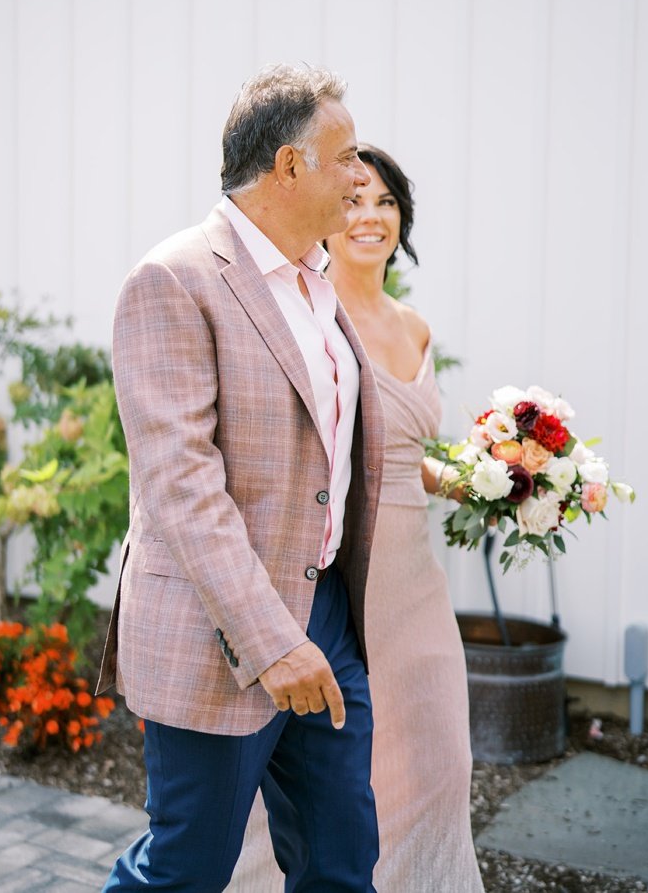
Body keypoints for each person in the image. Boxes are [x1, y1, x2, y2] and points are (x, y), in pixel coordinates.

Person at [99, 64, 385, 891]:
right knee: (186, 867)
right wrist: (272, 642)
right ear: (290, 166)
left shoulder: (315, 282)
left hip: (327, 613)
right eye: (346, 156)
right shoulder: (174, 278)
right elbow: (181, 487)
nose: (360, 176)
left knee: (341, 857)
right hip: (216, 630)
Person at [229, 146, 484, 891]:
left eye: (385, 203)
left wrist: (492, 481)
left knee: (441, 760)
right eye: (353, 200)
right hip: (347, 579)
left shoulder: (415, 327)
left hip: (417, 583)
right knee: (347, 773)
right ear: (326, 215)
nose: (368, 217)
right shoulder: (310, 317)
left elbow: (401, 451)